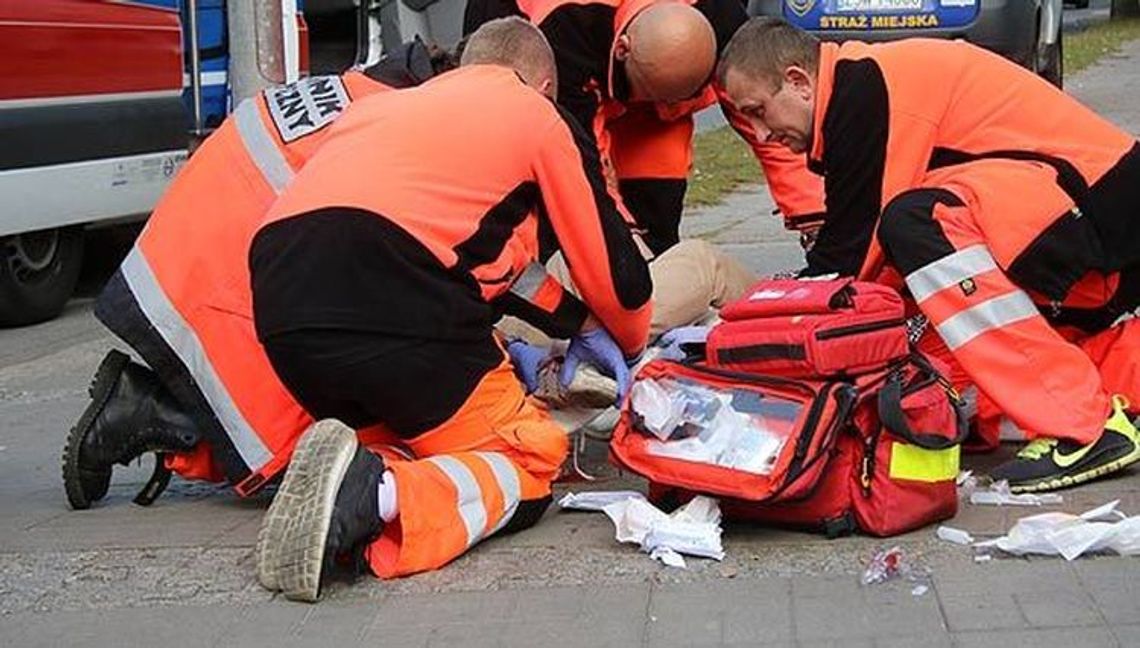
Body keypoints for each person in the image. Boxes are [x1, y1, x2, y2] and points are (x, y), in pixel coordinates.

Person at [250, 17, 653, 602]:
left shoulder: (383, 111)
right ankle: (378, 495)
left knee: (413, 449)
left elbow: (496, 266)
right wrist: (628, 339)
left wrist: (577, 325)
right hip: (398, 296)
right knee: (529, 460)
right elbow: (611, 271)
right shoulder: (534, 114)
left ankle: (353, 493)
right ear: (541, 87)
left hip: (284, 303)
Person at [718, 17, 1140, 493]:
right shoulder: (866, 82)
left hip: (1093, 224)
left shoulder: (861, 92)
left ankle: (1083, 425)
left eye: (758, 111)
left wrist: (766, 325)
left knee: (918, 224)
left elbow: (851, 260)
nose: (760, 133)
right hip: (1084, 224)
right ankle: (1081, 399)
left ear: (799, 82)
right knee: (922, 284)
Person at [61, 40, 455, 509]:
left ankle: (148, 408)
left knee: (301, 413)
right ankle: (145, 411)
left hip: (191, 253)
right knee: (316, 450)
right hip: (228, 274)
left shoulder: (366, 86)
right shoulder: (405, 126)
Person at [463, 0, 825, 256]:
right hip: (550, 62)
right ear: (624, 49)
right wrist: (619, 244)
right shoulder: (567, 26)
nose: (661, 106)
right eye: (656, 94)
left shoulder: (722, 19)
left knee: (657, 208)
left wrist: (815, 216)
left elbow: (767, 121)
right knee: (574, 222)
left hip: (645, 77)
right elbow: (578, 162)